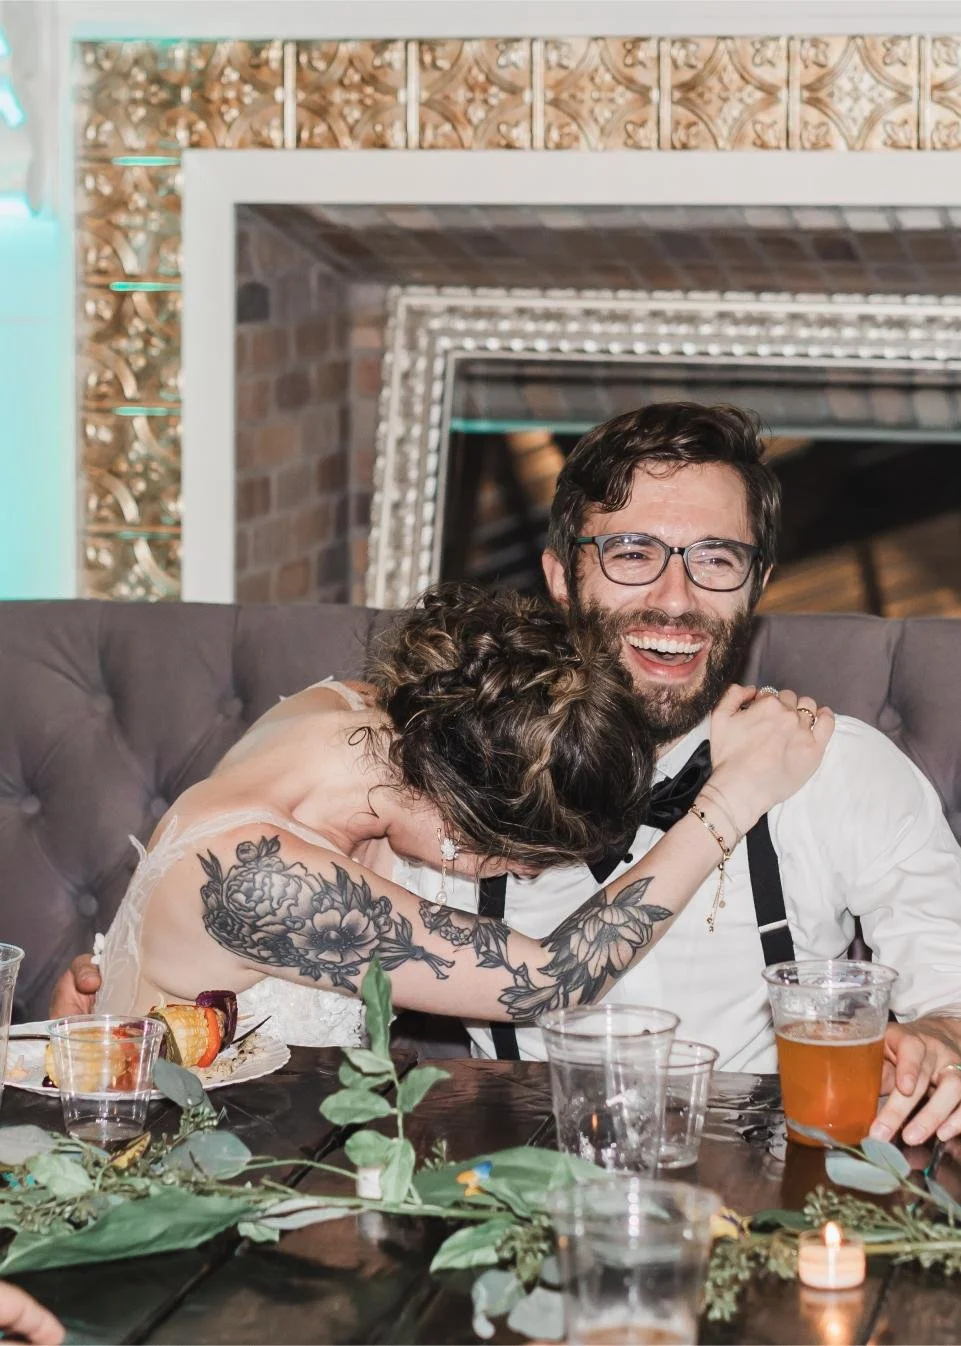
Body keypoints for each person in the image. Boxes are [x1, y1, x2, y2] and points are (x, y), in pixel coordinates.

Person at [394, 402, 961, 1151]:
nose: (675, 599)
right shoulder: (446, 777)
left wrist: (940, 1038)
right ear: (562, 577)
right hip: (513, 1182)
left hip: (772, 1182)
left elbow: (951, 983)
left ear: (757, 583)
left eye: (716, 559)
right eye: (633, 553)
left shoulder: (834, 765)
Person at [53, 583, 828, 1044]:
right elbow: (549, 981)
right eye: (523, 861)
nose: (524, 876)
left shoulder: (357, 714)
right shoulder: (257, 880)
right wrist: (729, 801)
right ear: (456, 820)